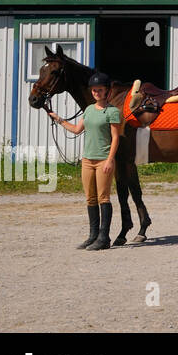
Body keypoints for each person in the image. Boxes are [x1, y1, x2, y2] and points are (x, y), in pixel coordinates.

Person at [48, 72, 123, 251]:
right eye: (94, 90)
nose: (96, 92)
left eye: (100, 90)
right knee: (90, 198)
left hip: (103, 159)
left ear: (107, 91)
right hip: (87, 160)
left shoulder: (112, 112)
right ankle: (93, 235)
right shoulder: (89, 110)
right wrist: (58, 119)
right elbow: (76, 129)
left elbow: (115, 138)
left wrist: (110, 160)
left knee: (103, 197)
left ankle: (104, 237)